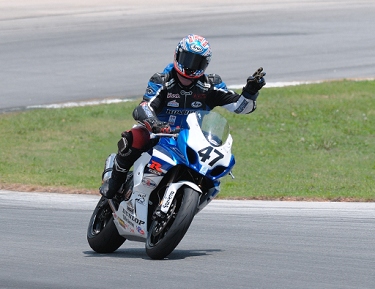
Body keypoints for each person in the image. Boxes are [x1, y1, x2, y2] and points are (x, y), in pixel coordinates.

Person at [101, 34, 266, 199]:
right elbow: (144, 107)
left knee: (212, 169)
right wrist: (154, 123)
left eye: (197, 62)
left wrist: (250, 92)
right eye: (187, 58)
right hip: (160, 133)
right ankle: (114, 183)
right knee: (136, 136)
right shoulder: (162, 80)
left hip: (190, 139)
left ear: (205, 64)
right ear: (177, 55)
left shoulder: (211, 85)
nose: (190, 66)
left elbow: (240, 107)